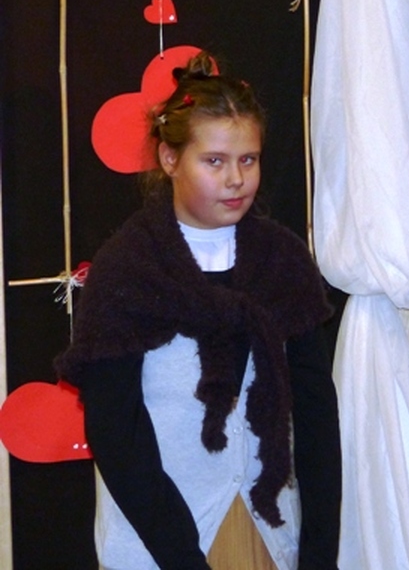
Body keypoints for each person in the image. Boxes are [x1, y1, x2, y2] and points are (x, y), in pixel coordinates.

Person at [56, 51, 341, 570]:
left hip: (269, 534)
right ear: (170, 159)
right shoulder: (128, 268)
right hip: (160, 544)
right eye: (214, 161)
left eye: (248, 159)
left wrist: (320, 554)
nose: (236, 179)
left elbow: (316, 416)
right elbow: (116, 431)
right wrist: (181, 556)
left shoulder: (283, 260)